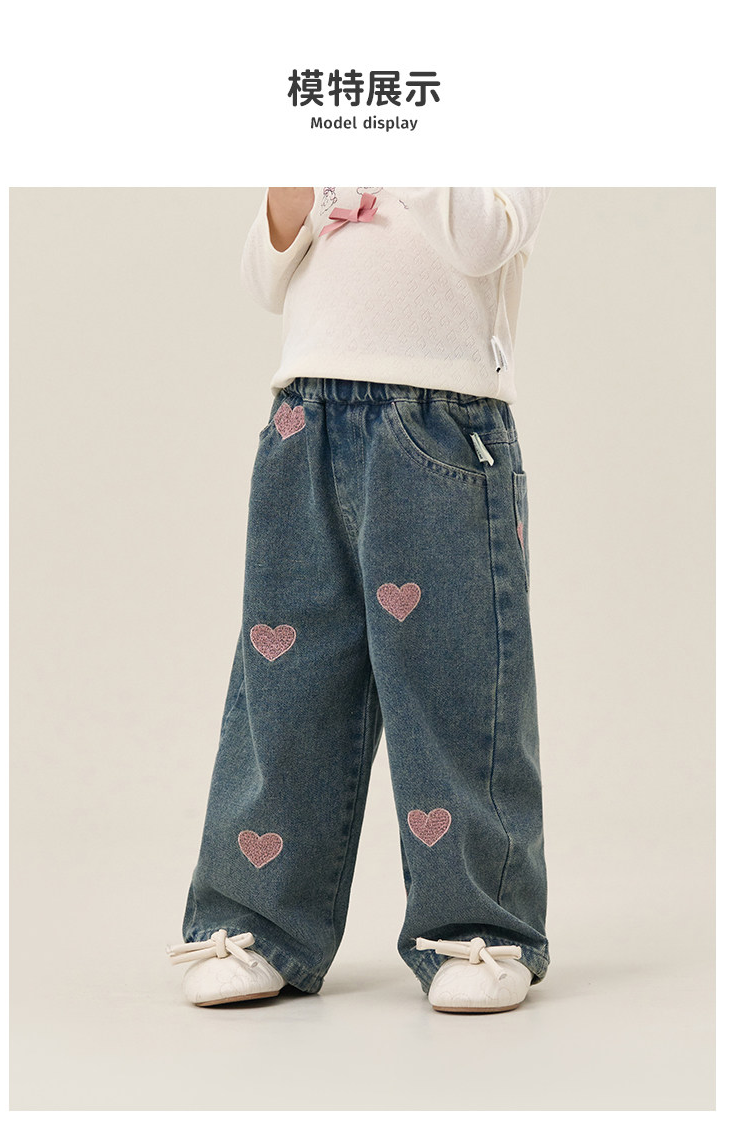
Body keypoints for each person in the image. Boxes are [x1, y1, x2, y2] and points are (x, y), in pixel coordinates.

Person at [166, 186, 552, 1014]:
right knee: (286, 682)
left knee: (455, 680)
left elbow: (481, 237)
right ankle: (258, 917)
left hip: (441, 421)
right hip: (303, 414)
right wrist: (295, 197)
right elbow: (264, 276)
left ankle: (481, 922)